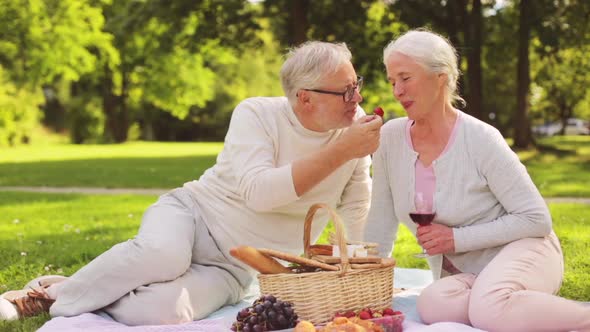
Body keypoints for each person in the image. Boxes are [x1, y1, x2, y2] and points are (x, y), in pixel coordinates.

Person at [0, 41, 382, 325]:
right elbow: (261, 192)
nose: (358, 97)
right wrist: (342, 151)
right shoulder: (257, 114)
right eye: (346, 91)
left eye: (356, 85)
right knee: (164, 255)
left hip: (236, 267)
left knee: (159, 312)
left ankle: (94, 284)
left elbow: (354, 206)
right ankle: (50, 298)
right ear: (305, 99)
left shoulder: (351, 129)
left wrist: (345, 274)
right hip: (193, 215)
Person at [364, 29, 590, 332]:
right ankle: (510, 306)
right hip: (468, 274)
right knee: (433, 305)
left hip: (526, 250)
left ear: (440, 77)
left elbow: (536, 219)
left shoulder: (480, 138)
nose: (397, 91)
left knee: (489, 310)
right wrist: (363, 284)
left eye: (406, 78)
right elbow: (380, 219)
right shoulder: (390, 137)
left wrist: (455, 238)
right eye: (393, 81)